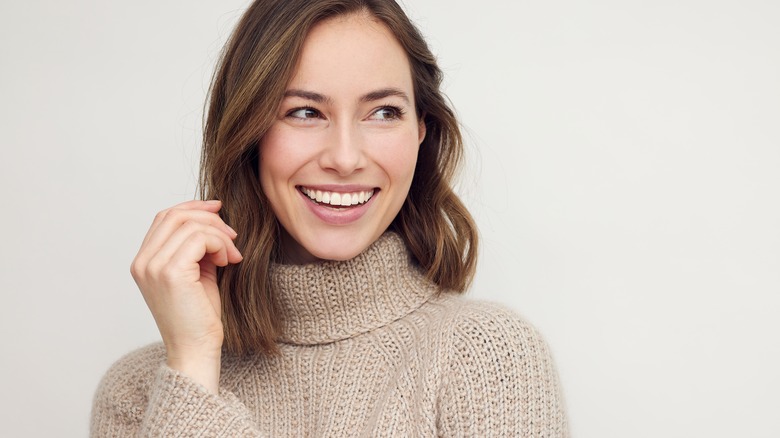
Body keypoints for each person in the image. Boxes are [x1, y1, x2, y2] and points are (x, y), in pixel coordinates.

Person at [90, 0, 568, 436]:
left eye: (383, 112)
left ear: (422, 130)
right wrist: (193, 363)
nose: (344, 157)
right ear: (247, 130)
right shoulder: (140, 394)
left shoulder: (488, 356)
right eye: (304, 112)